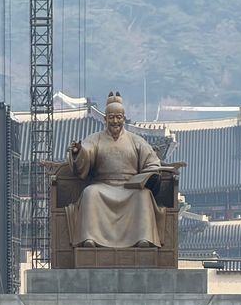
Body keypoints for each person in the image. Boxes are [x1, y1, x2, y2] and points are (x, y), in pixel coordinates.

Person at [66, 91, 167, 248]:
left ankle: (143, 239)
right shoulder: (95, 139)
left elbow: (152, 162)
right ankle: (90, 239)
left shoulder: (136, 141)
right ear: (105, 119)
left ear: (123, 118)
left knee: (144, 195)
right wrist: (78, 152)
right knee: (90, 193)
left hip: (130, 187)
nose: (115, 121)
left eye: (118, 117)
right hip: (103, 186)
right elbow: (86, 153)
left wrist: (150, 174)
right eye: (111, 117)